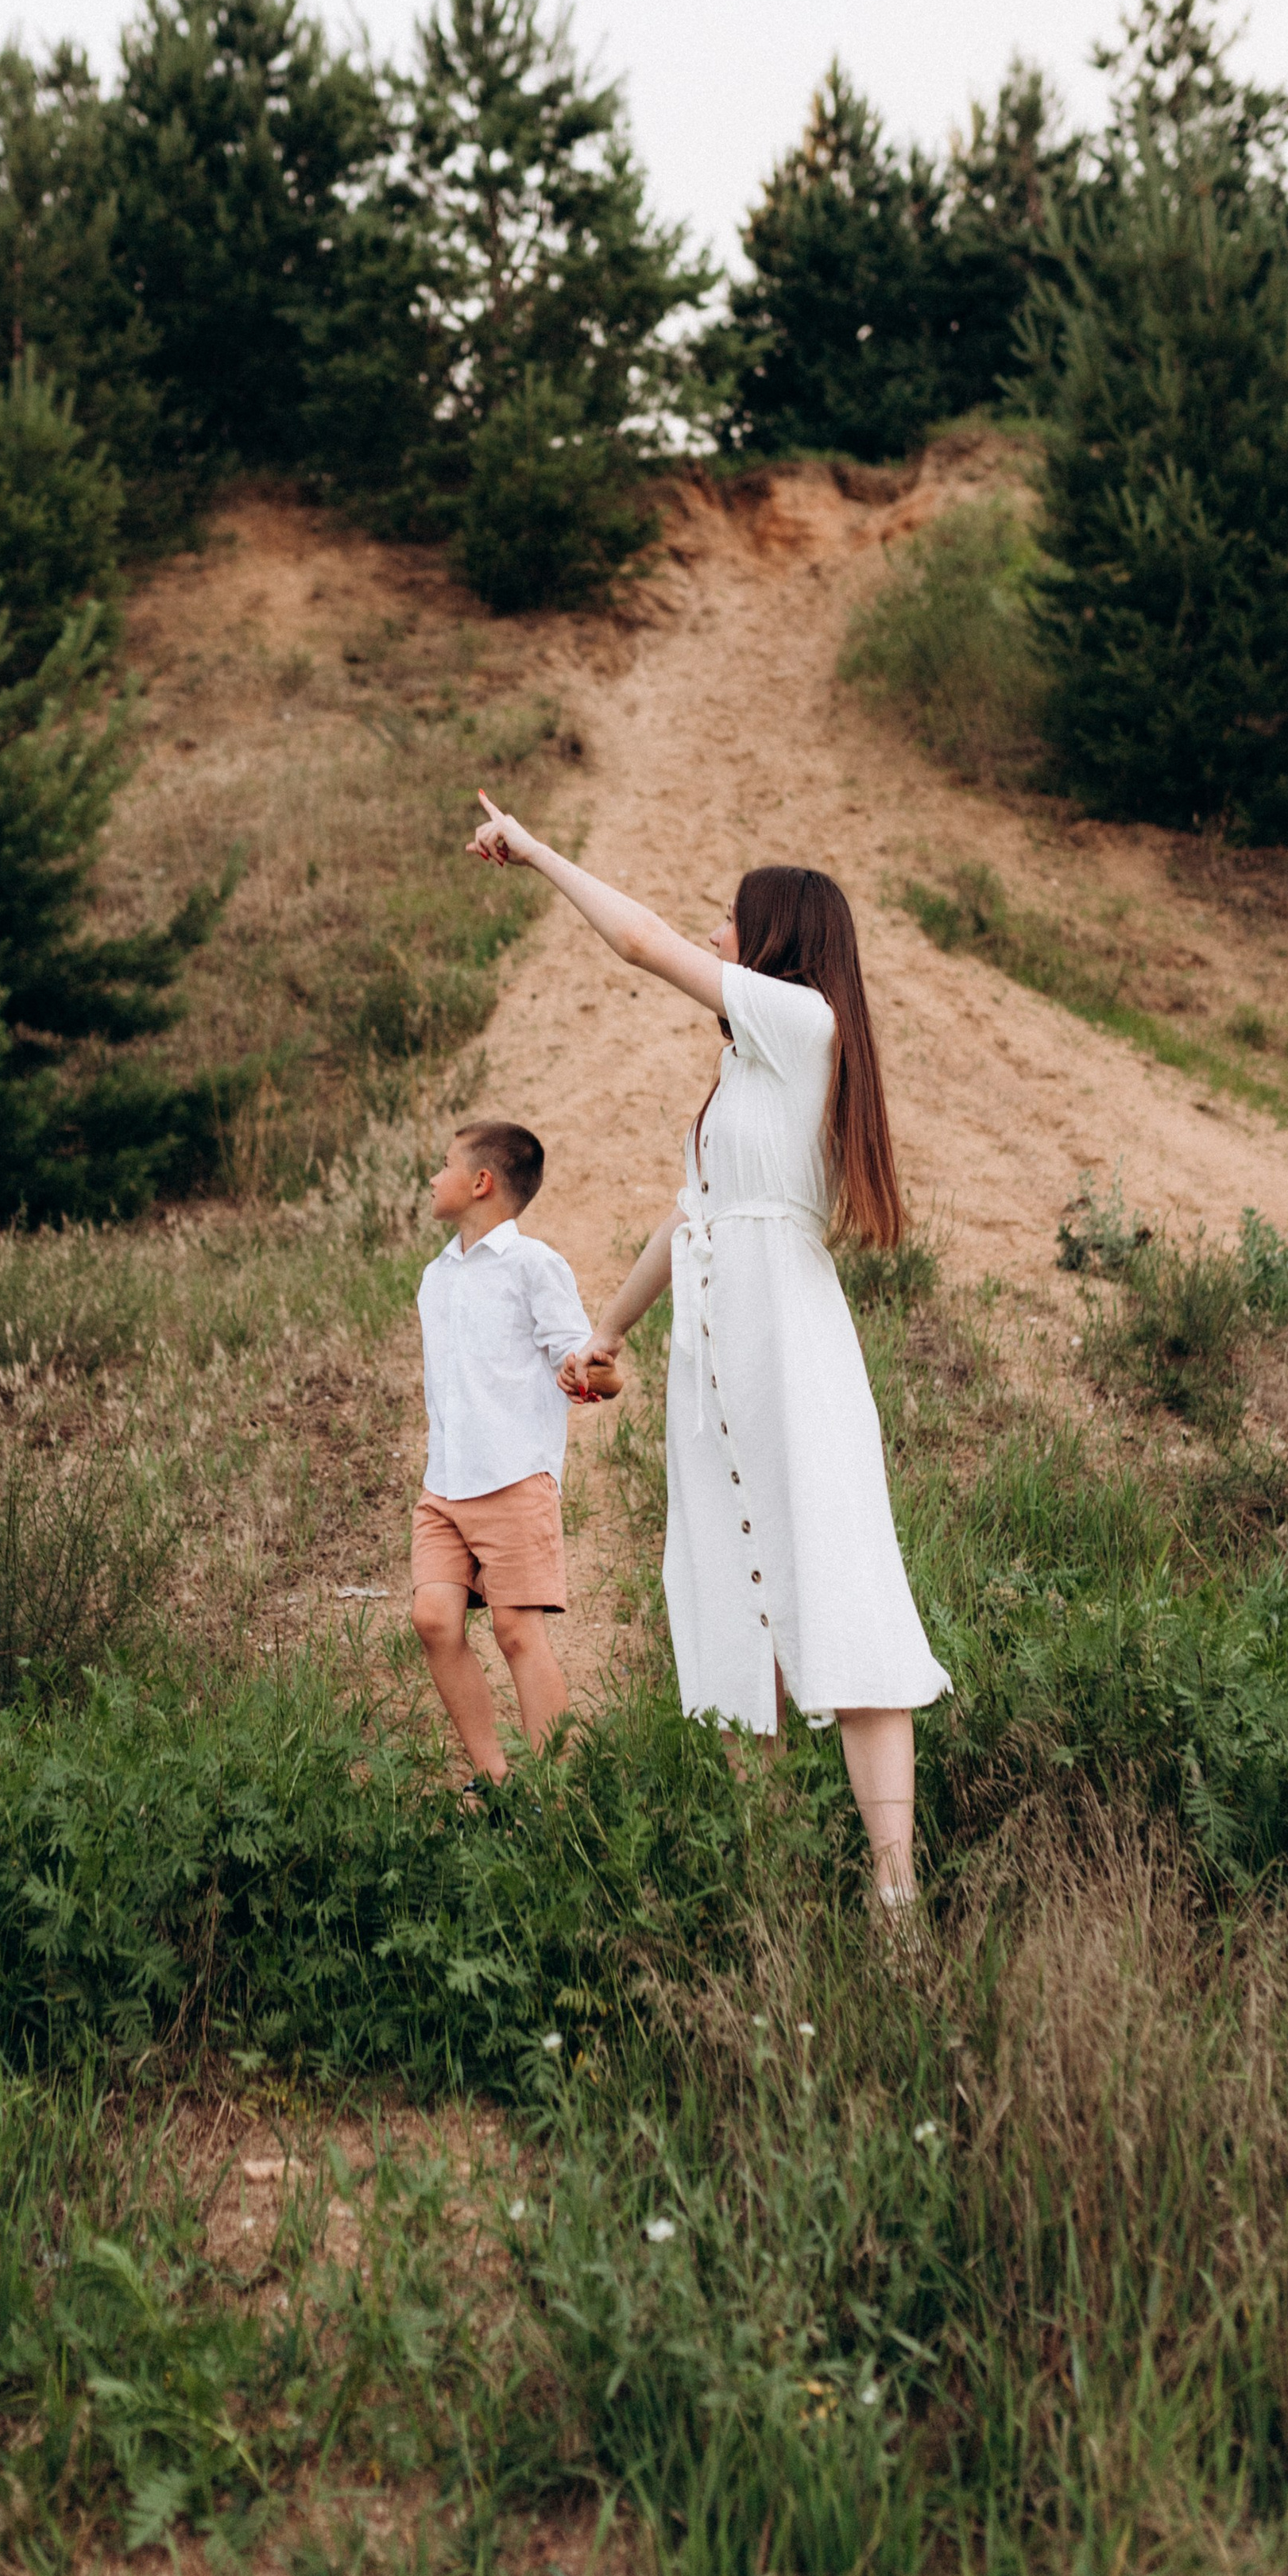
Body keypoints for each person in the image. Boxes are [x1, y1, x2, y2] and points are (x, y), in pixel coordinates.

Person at [467, 794, 950, 1922]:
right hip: (720, 1357)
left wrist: (537, 852)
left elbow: (640, 943)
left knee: (841, 1592)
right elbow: (691, 1219)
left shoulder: (804, 1023)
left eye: (732, 924)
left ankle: (896, 1901)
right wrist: (608, 1332)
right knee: (739, 1606)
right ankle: (772, 1896)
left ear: (780, 937)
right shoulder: (744, 1075)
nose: (717, 939)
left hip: (787, 1339)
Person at [412, 1118, 594, 1787]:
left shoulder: (533, 1265)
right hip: (445, 1483)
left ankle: (558, 1795)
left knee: (518, 1632)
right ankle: (497, 1783)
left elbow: (578, 1354)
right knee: (434, 1619)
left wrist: (587, 1373)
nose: (433, 1177)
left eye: (445, 1164)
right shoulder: (436, 1277)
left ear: (481, 1182)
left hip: (514, 1475)